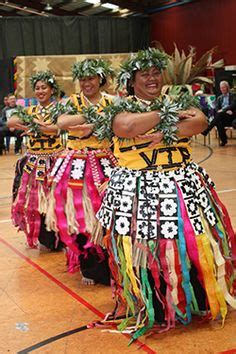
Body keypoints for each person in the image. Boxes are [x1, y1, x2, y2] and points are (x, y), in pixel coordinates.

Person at [96, 48, 236, 340]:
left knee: (192, 241)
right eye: (144, 74)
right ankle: (158, 306)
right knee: (147, 249)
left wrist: (161, 129)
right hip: (139, 190)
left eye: (156, 73)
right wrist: (168, 116)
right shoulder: (118, 108)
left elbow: (199, 122)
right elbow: (127, 127)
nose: (152, 78)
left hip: (182, 184)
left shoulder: (180, 99)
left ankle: (196, 298)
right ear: (131, 81)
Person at [46, 58, 117, 285]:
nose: (87, 83)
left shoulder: (113, 101)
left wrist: (93, 119)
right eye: (83, 79)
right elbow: (62, 122)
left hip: (106, 161)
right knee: (81, 217)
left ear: (100, 79)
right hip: (76, 164)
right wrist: (99, 116)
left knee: (108, 215)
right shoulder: (72, 102)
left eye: (91, 78)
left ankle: (112, 263)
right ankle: (89, 267)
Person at [7, 71, 64, 251]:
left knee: (58, 201)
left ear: (52, 90)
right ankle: (46, 238)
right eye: (37, 88)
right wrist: (28, 124)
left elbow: (59, 127)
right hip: (34, 164)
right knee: (38, 203)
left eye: (44, 87)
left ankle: (61, 238)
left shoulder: (59, 109)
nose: (40, 91)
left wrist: (37, 129)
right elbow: (11, 121)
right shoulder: (30, 110)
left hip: (55, 162)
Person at [202, 81, 236, 146]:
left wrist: (224, 109)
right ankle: (224, 140)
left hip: (231, 115)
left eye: (223, 87)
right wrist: (223, 111)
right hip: (223, 116)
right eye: (221, 88)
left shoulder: (233, 95)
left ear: (227, 88)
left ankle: (208, 129)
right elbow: (217, 109)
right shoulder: (219, 98)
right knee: (219, 122)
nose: (222, 89)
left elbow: (233, 105)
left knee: (219, 116)